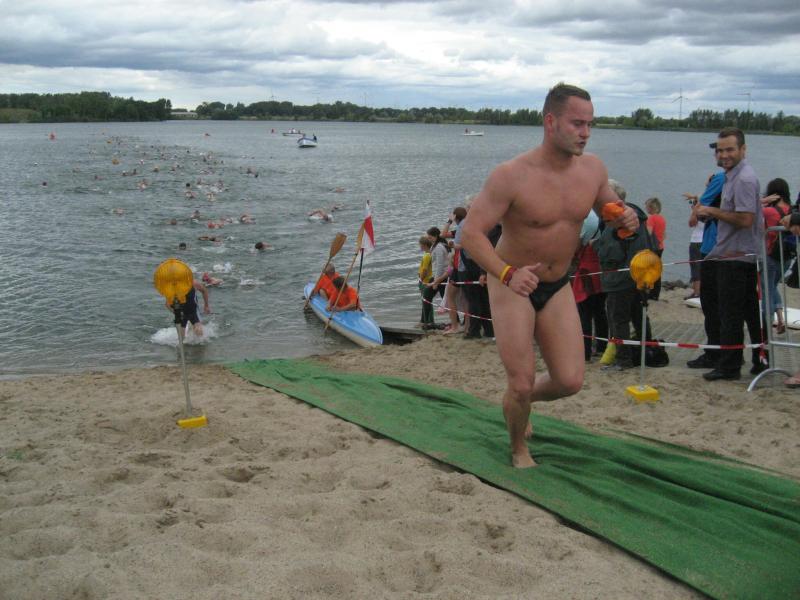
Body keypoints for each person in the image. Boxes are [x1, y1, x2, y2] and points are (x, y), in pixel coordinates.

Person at [460, 83, 638, 468]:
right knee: (521, 380)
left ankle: (521, 401)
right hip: (512, 282)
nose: (585, 133)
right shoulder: (511, 175)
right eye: (577, 123)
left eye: (590, 124)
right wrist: (506, 273)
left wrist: (627, 218)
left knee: (570, 381)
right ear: (550, 122)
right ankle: (518, 448)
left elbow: (611, 210)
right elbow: (470, 234)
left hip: (557, 284)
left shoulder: (593, 170)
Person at [690, 127, 765, 381]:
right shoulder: (730, 176)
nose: (724, 155)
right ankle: (752, 359)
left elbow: (745, 219)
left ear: (743, 149)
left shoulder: (744, 178)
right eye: (720, 150)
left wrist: (711, 211)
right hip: (729, 253)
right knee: (740, 310)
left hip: (737, 257)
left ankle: (730, 366)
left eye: (730, 149)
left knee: (730, 313)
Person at [594, 182, 659, 370]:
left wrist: (597, 246)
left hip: (622, 278)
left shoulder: (625, 220)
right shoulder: (625, 220)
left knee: (618, 319)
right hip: (632, 277)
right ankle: (642, 351)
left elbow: (615, 249)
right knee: (637, 316)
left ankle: (624, 359)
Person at [761, 178, 792, 335]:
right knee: (772, 286)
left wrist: (762, 201)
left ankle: (767, 327)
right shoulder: (792, 211)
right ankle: (780, 317)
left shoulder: (769, 211)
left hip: (771, 255)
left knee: (767, 289)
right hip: (787, 258)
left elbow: (749, 212)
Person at [644, 197, 666, 300]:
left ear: (651, 207)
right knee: (657, 270)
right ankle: (656, 293)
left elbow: (648, 233)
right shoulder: (662, 218)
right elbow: (664, 234)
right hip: (660, 246)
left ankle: (649, 292)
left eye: (646, 206)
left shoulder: (651, 218)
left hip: (652, 247)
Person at [684, 193, 705, 299]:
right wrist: (695, 198)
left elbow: (691, 223)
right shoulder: (710, 211)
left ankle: (697, 292)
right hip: (706, 241)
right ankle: (700, 290)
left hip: (696, 240)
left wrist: (694, 211)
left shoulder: (699, 213)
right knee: (703, 266)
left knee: (695, 266)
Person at [417, 236, 435, 329]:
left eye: (420, 244)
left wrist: (421, 279)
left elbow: (424, 270)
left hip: (425, 281)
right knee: (427, 301)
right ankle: (428, 320)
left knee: (426, 301)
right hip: (428, 279)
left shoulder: (427, 255)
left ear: (424, 245)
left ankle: (427, 321)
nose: (419, 246)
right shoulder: (429, 254)